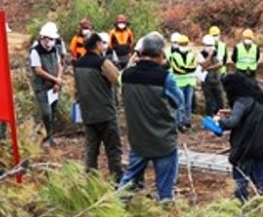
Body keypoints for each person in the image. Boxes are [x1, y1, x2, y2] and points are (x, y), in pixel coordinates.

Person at [118, 33, 183, 202]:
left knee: (129, 181)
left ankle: (113, 208)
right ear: (161, 53)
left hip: (138, 138)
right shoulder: (165, 78)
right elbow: (178, 101)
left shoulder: (126, 75)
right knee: (165, 190)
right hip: (163, 140)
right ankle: (164, 214)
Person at [218, 72, 263, 202]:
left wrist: (220, 121)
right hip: (262, 144)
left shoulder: (241, 101)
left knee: (241, 179)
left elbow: (233, 122)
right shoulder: (259, 99)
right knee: (260, 176)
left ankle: (242, 203)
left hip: (246, 147)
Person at [75, 32, 123, 182]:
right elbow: (118, 80)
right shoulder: (102, 63)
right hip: (105, 113)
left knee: (91, 151)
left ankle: (90, 183)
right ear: (97, 45)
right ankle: (117, 182)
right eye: (102, 43)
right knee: (113, 150)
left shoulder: (78, 64)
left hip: (88, 114)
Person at [29, 22, 64, 146]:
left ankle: (50, 136)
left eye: (53, 39)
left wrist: (58, 81)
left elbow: (59, 65)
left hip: (54, 87)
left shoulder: (55, 49)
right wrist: (56, 80)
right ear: (43, 38)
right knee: (46, 113)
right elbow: (38, 70)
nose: (51, 41)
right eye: (49, 39)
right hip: (42, 87)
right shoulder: (35, 51)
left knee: (53, 111)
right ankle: (46, 136)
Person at [168, 35, 197, 131]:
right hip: (179, 83)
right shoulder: (174, 56)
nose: (183, 45)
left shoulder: (191, 54)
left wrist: (184, 69)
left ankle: (187, 122)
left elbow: (193, 67)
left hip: (190, 82)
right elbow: (177, 70)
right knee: (180, 103)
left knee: (188, 104)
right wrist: (187, 69)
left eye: (185, 44)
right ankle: (179, 123)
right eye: (182, 44)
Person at [199, 34, 224, 116]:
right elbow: (203, 64)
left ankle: (220, 117)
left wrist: (208, 68)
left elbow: (220, 64)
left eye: (211, 45)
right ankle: (210, 116)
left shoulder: (217, 53)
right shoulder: (201, 54)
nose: (210, 47)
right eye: (208, 45)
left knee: (220, 100)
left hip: (216, 79)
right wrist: (210, 55)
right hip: (206, 81)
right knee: (208, 100)